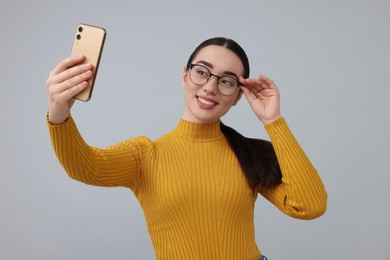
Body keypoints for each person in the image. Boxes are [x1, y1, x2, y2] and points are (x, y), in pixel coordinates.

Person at [46, 37, 327, 260]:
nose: (210, 87)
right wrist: (59, 112)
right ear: (184, 76)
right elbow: (85, 167)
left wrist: (273, 121)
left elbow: (310, 206)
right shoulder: (145, 154)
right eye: (202, 72)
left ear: (239, 96)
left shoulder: (250, 154)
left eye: (227, 81)